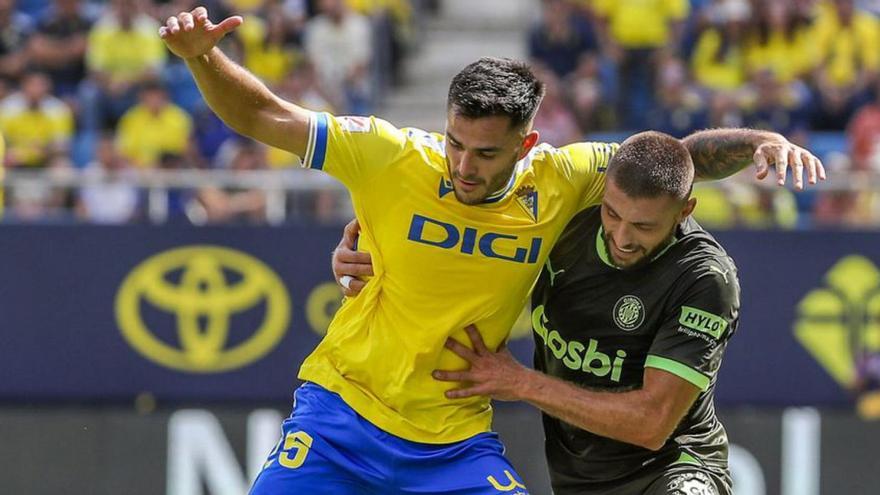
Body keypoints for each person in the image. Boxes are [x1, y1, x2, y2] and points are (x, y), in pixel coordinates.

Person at [159, 7, 823, 494]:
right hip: (342, 414)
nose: (462, 166)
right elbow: (265, 117)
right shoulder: (390, 156)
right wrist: (201, 58)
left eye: (484, 152)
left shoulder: (564, 178)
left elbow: (668, 161)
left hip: (454, 442)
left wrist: (761, 139)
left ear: (526, 147)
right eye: (454, 142)